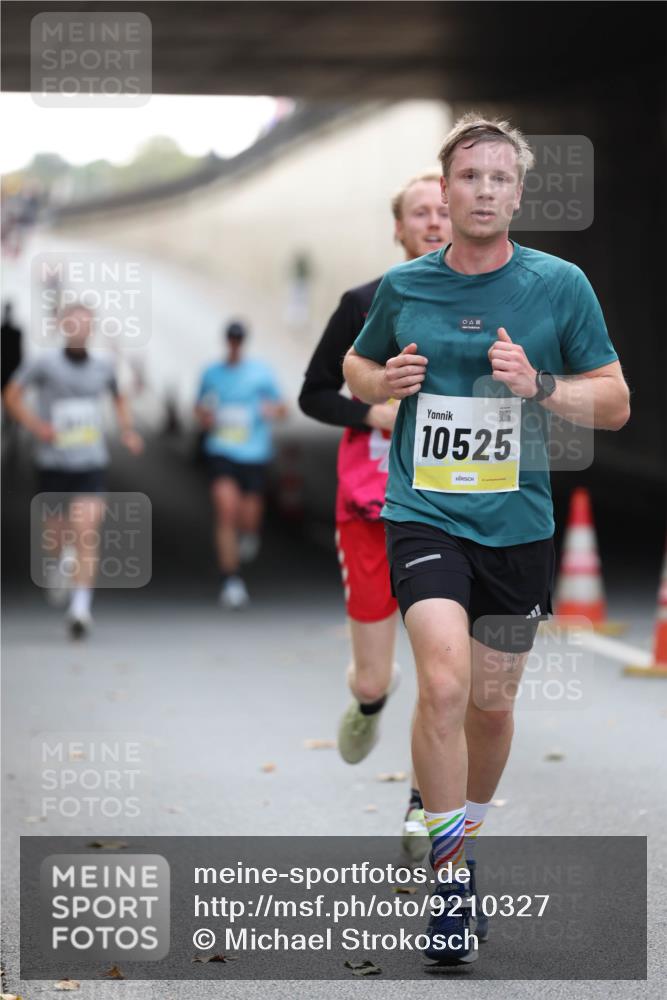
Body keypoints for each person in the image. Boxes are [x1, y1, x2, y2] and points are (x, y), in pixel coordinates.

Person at [343, 113, 630, 965]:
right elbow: (356, 369)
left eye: (500, 178)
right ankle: (450, 877)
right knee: (440, 678)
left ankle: (449, 820)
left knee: (491, 703)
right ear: (447, 185)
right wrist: (381, 380)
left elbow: (613, 403)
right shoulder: (407, 288)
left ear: (517, 192)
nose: (484, 191)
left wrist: (539, 384)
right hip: (423, 512)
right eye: (469, 177)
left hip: (518, 525)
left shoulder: (559, 285)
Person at [299, 171, 451, 857]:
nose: (434, 221)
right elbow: (312, 392)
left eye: (444, 211)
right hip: (370, 502)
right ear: (398, 228)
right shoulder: (364, 303)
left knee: (443, 679)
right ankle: (367, 700)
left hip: (450, 507)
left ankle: (424, 802)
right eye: (419, 212)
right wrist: (373, 409)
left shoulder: (494, 303)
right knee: (374, 674)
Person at [3, 303, 143, 638]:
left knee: (86, 533)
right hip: (52, 463)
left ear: (91, 329)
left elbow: (118, 398)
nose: (79, 329)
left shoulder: (103, 366)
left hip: (90, 463)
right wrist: (37, 426)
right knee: (57, 537)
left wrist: (127, 430)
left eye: (85, 324)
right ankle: (59, 562)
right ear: (63, 327)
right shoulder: (43, 363)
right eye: (73, 323)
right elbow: (11, 395)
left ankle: (80, 609)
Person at [195, 320, 287, 609]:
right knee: (226, 511)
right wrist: (205, 417)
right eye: (230, 339)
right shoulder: (212, 373)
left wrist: (270, 410)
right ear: (226, 341)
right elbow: (199, 407)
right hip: (222, 450)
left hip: (254, 454)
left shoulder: (261, 372)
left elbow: (284, 408)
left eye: (238, 339)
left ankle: (249, 535)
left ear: (243, 341)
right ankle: (231, 580)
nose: (234, 344)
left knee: (248, 517)